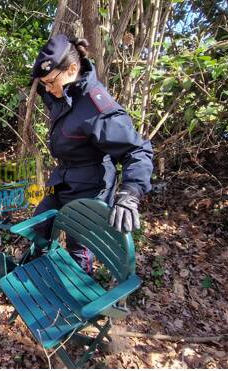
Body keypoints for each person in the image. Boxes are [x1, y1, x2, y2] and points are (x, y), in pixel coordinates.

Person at [30, 34, 154, 273]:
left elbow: (137, 150)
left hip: (90, 186)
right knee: (40, 224)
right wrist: (46, 80)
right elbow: (48, 86)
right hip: (62, 177)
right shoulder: (58, 90)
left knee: (79, 247)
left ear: (73, 69)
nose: (47, 88)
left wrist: (130, 193)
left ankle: (75, 299)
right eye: (44, 83)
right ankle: (40, 271)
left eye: (50, 82)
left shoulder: (98, 107)